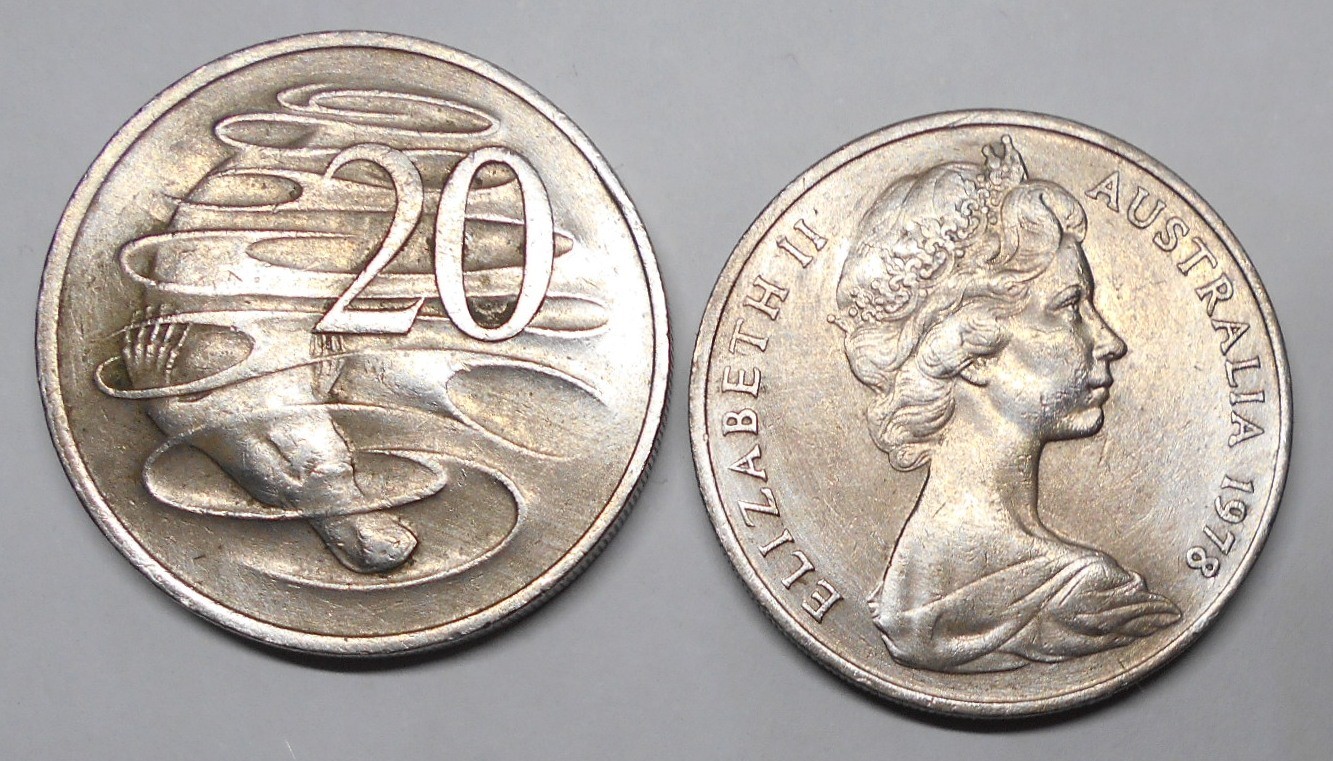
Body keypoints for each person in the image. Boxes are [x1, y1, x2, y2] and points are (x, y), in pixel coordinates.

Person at [834, 135, 1181, 673]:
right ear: (971, 349)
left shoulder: (905, 587)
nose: (1110, 341)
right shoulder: (1090, 594)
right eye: (1070, 307)